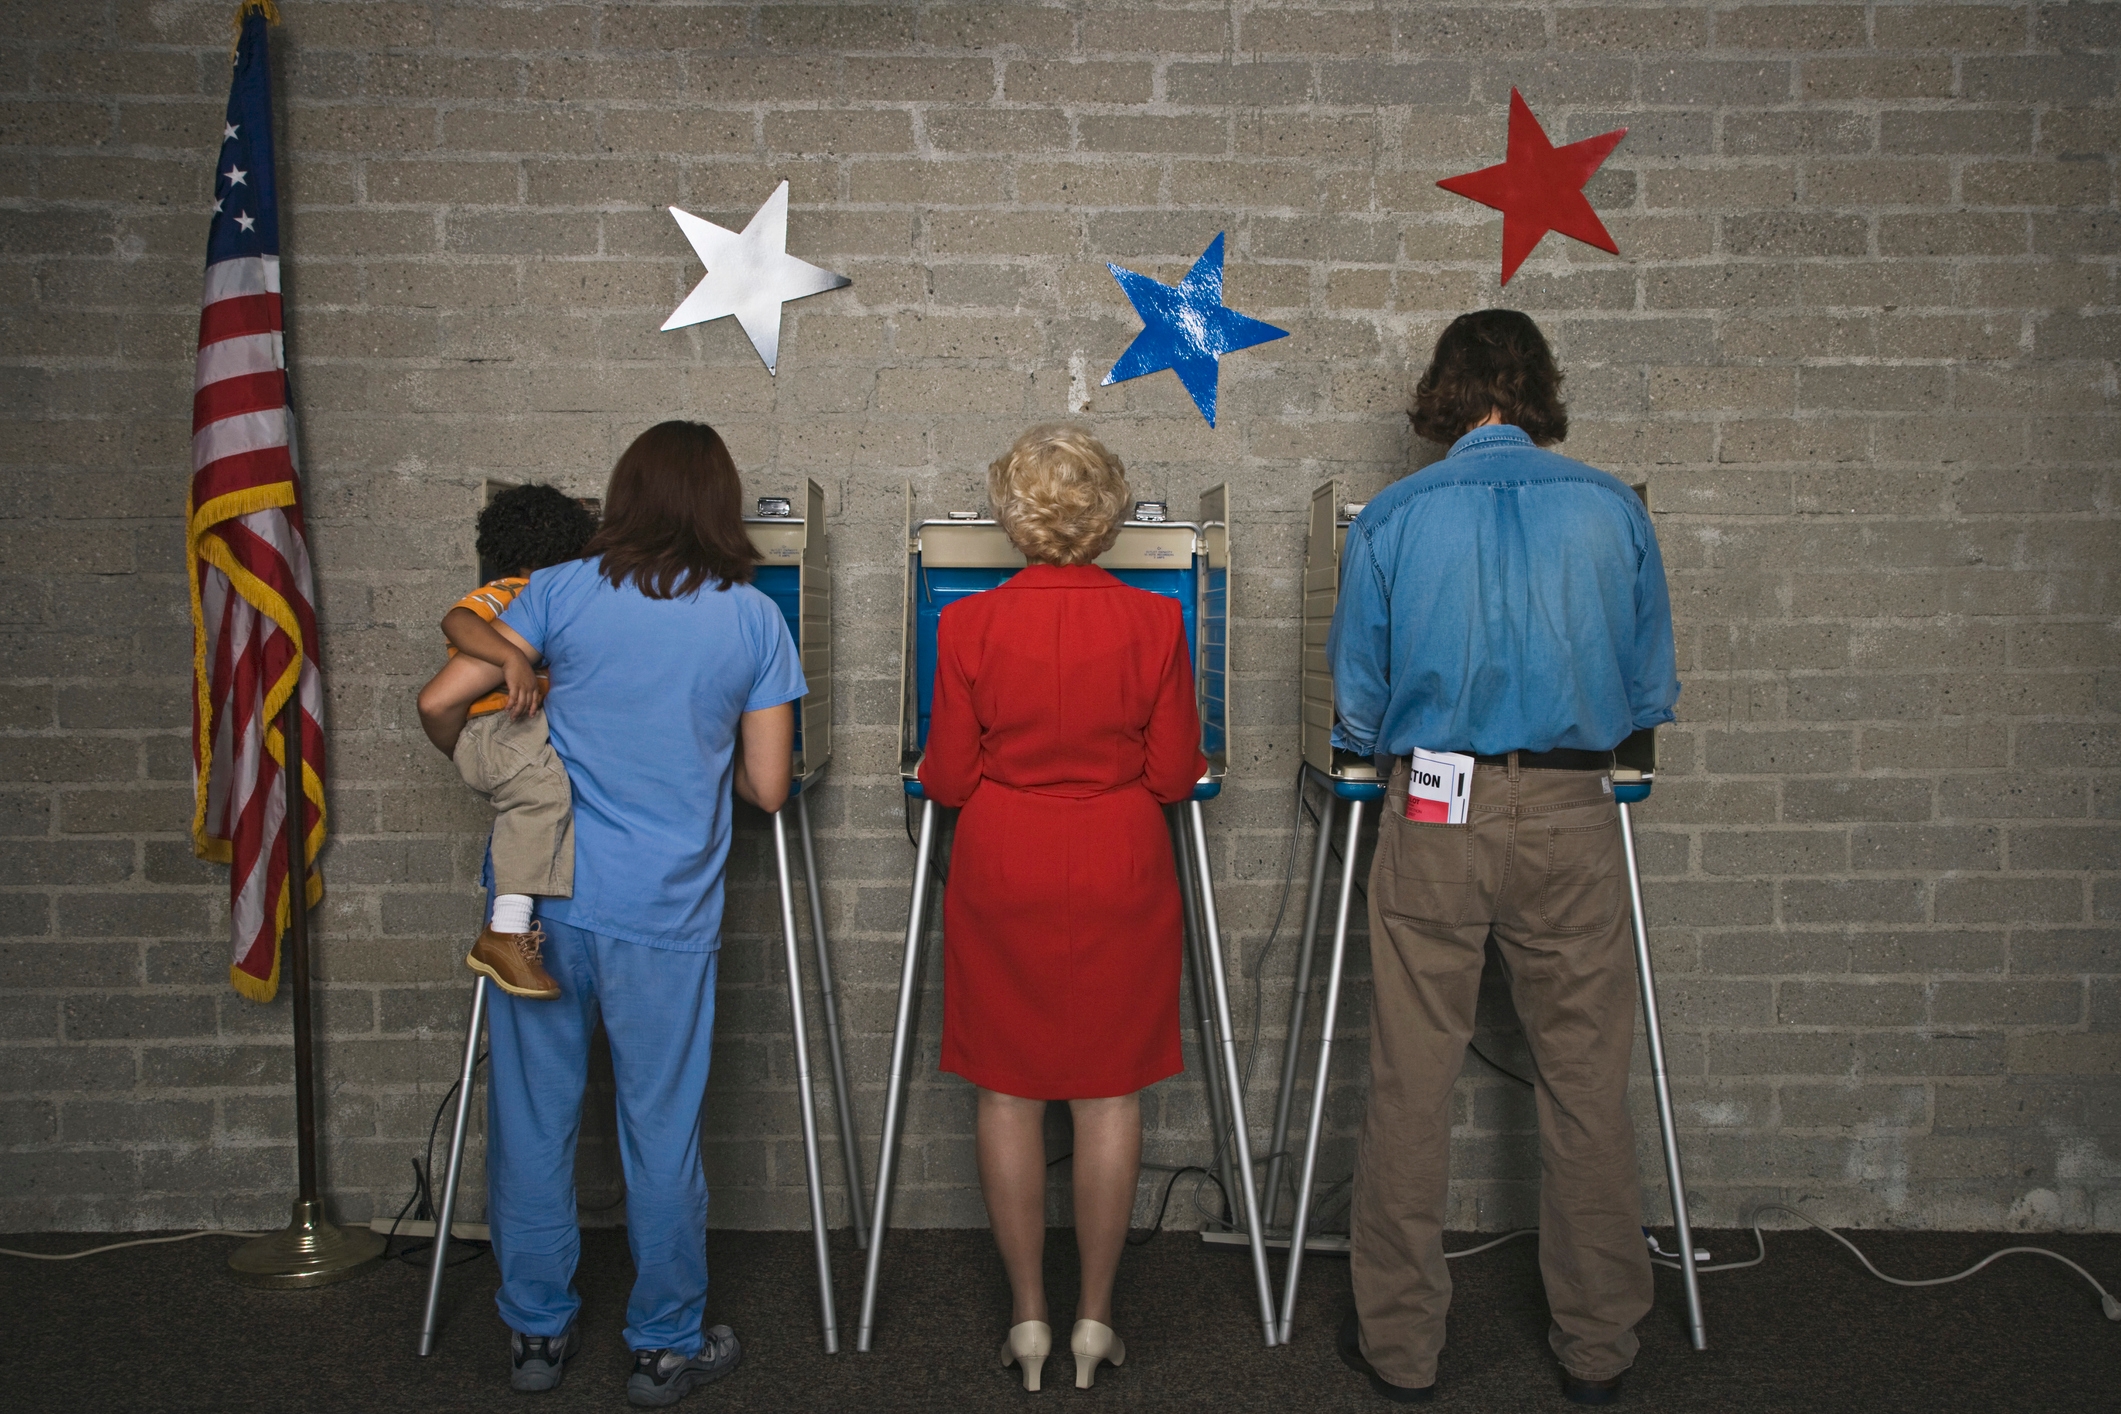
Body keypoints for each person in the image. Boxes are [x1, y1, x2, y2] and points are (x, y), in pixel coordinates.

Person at [1327, 310, 1680, 1407]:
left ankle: (1401, 1349)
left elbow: (1359, 703)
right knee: (1584, 1080)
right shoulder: (1613, 506)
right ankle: (1599, 1345)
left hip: (1435, 804)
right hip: (1575, 806)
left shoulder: (1392, 514)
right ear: (1538, 389)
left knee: (1410, 1077)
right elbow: (1647, 689)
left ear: (1444, 389)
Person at [440, 421, 804, 1408]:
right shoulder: (753, 621)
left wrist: (497, 762)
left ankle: (535, 1338)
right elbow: (769, 788)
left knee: (532, 1120)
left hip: (542, 903)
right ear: (721, 506)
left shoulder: (555, 590)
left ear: (624, 498)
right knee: (660, 1127)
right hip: (664, 909)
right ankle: (662, 1346)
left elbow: (446, 696)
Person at [917, 424, 1205, 1392]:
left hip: (1006, 863)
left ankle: (1028, 1319)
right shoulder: (1156, 624)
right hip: (1120, 863)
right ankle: (1095, 1320)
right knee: (1108, 1093)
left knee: (1007, 1091)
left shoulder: (967, 626)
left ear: (1015, 514)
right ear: (1108, 512)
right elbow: (1174, 775)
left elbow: (948, 779)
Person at [415, 483, 599, 1000]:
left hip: (513, 732)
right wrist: (510, 657)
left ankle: (512, 929)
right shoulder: (511, 591)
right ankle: (507, 933)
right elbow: (456, 620)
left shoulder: (555, 603)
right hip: (492, 728)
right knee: (543, 794)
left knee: (548, 792)